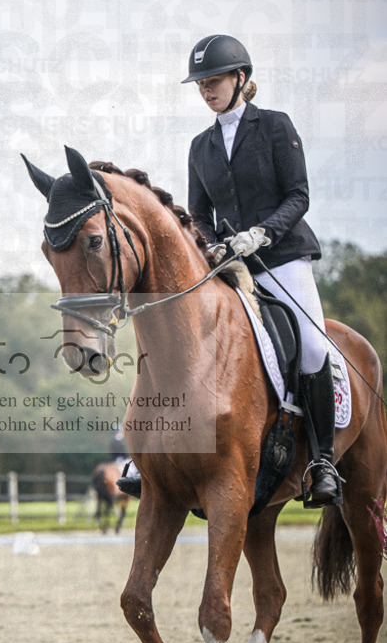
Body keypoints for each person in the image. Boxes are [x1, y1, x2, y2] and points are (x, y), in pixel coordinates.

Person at [118, 34, 341, 508]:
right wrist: (210, 246)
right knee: (176, 338)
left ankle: (322, 460)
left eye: (213, 80)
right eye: (201, 83)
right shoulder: (201, 146)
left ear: (241, 78)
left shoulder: (276, 127)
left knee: (314, 346)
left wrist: (260, 234)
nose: (206, 90)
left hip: (282, 258)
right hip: (227, 265)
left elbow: (298, 195)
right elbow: (197, 213)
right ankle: (150, 451)